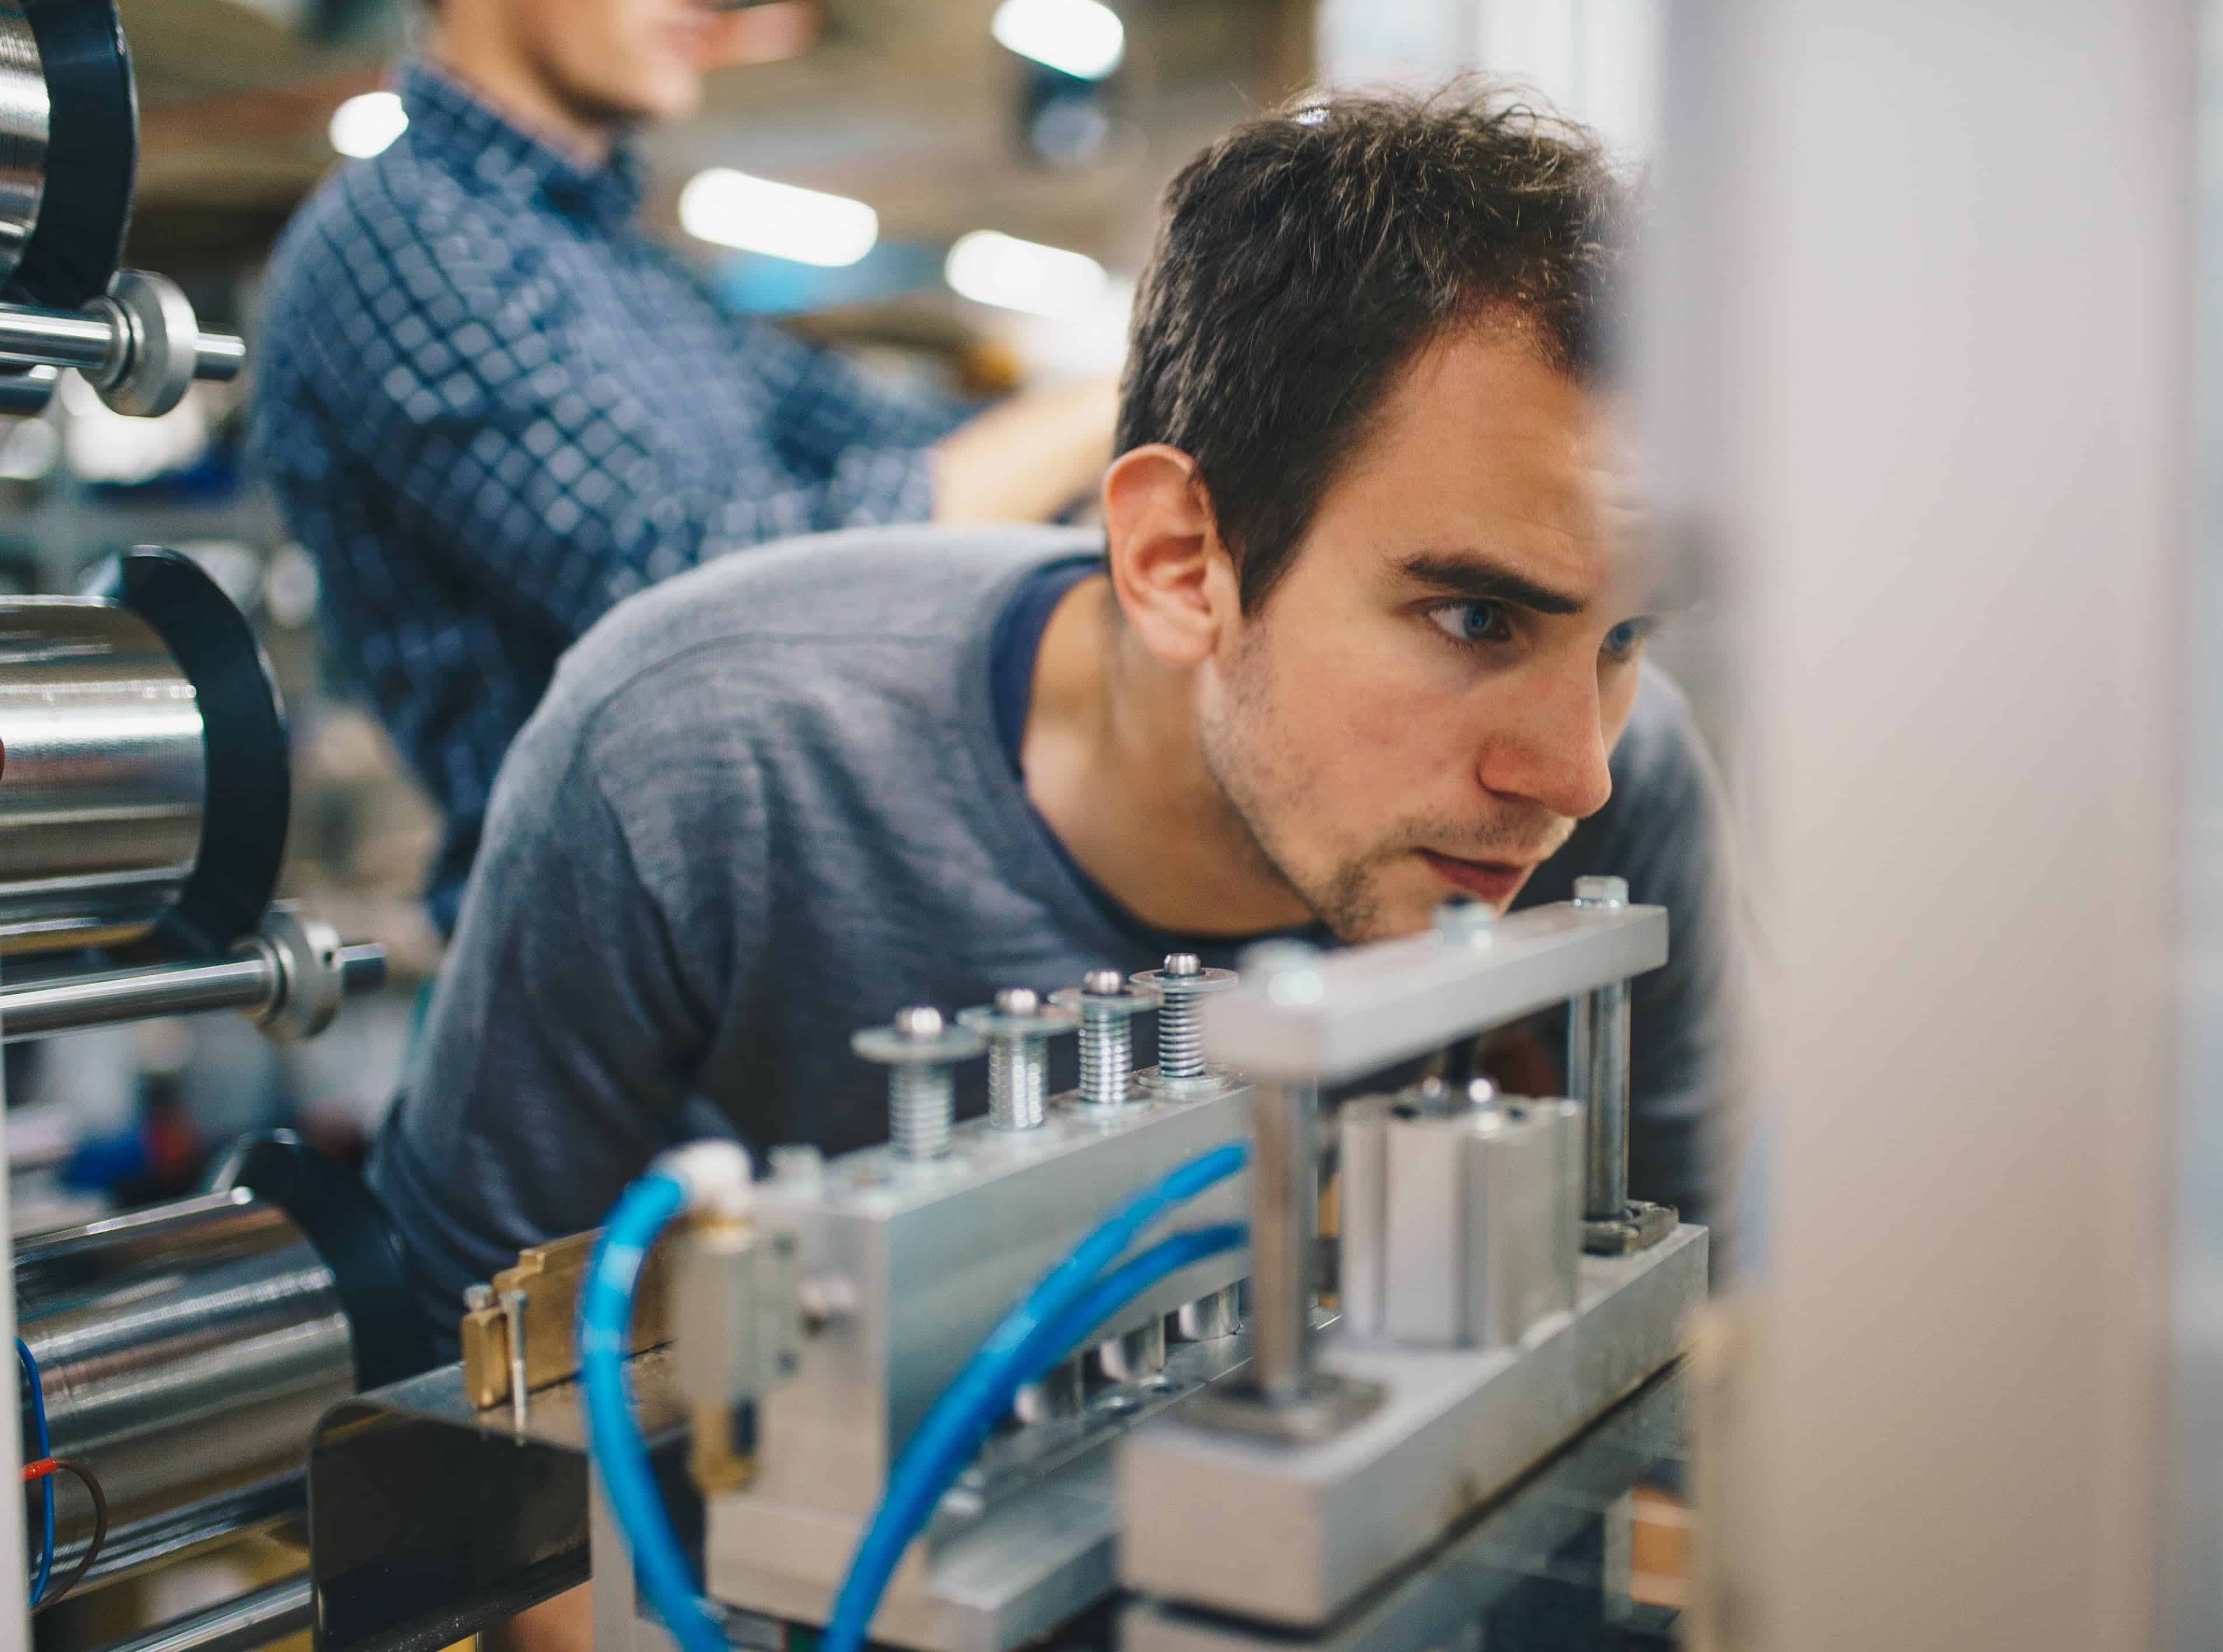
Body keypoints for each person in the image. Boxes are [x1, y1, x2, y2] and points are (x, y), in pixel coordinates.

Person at [373, 87, 1734, 1350]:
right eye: (1473, 620)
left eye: (1619, 635)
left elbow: (1724, 1291)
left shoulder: (1639, 773)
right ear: (1175, 562)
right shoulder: (697, 753)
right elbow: (478, 1371)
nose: (1574, 772)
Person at [251, 0, 1117, 939]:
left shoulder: (627, 267)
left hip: (759, 944)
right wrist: (1097, 413)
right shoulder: (402, 239)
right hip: (599, 973)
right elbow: (697, 593)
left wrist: (1117, 429)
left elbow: (890, 433)